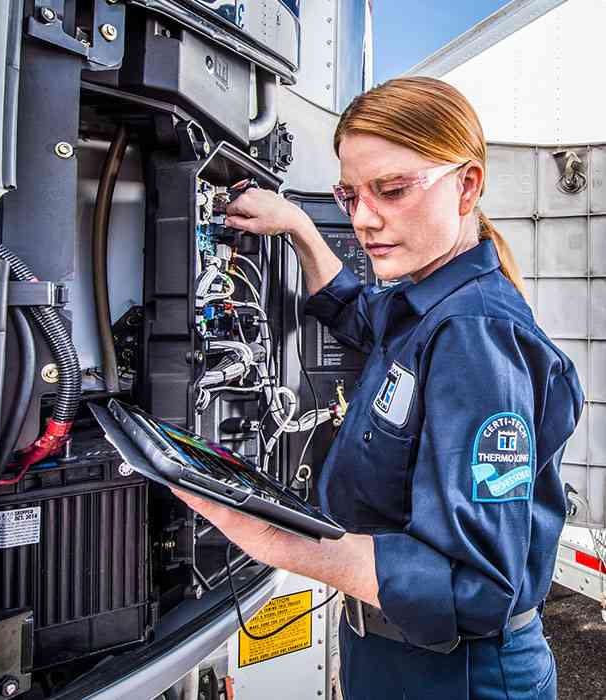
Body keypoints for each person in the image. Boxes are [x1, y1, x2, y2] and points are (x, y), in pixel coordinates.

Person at [171, 77, 584, 699]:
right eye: (350, 193)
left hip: (454, 676)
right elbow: (354, 311)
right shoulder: (424, 304)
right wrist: (299, 230)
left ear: (467, 185)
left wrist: (267, 536)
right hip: (389, 654)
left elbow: (475, 585)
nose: (363, 219)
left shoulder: (474, 334)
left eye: (391, 190)